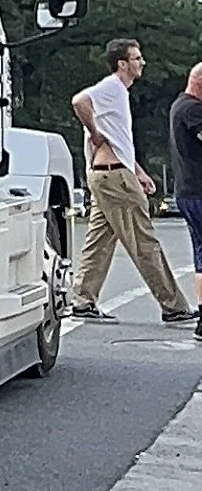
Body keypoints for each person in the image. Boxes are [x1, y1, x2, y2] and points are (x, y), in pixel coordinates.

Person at [72, 39, 191, 323]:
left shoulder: (119, 94)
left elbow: (119, 141)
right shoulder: (112, 86)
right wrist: (94, 132)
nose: (142, 63)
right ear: (122, 64)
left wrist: (137, 171)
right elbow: (79, 101)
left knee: (98, 240)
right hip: (114, 178)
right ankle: (174, 306)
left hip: (105, 175)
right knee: (144, 242)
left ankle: (82, 300)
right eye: (136, 58)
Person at [171, 61, 202, 340]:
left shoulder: (180, 106)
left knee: (201, 255)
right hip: (198, 190)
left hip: (188, 190)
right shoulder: (192, 110)